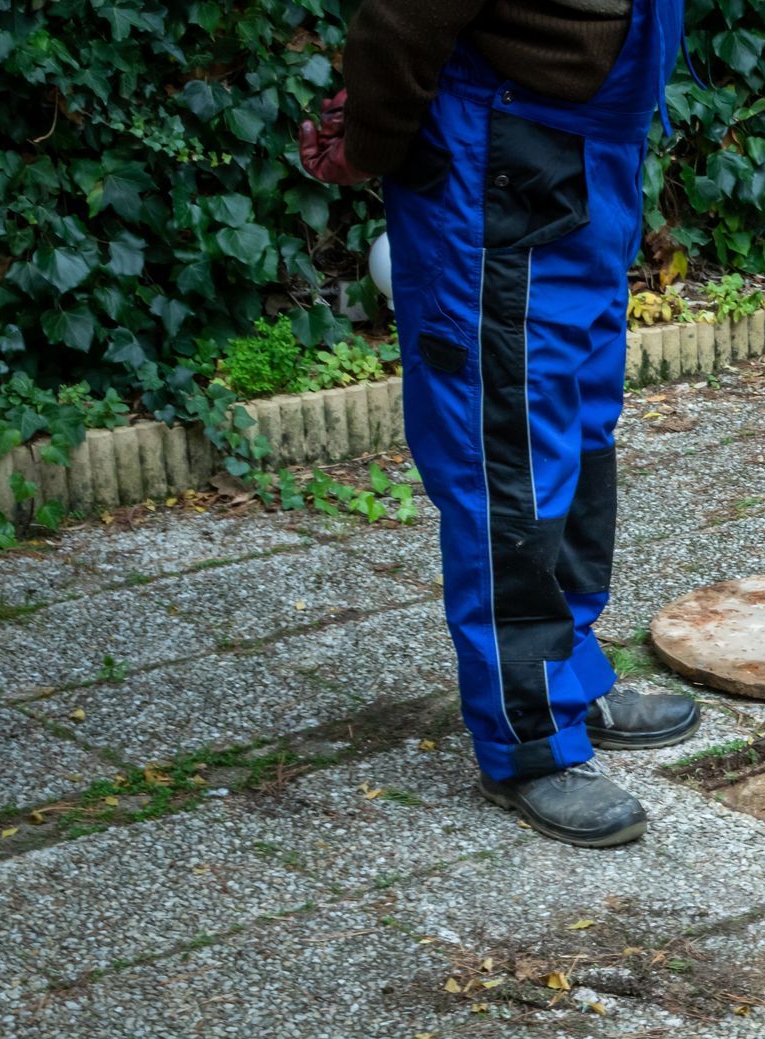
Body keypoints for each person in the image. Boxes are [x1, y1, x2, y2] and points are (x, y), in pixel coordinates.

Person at [299, 0, 699, 846]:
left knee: (580, 431)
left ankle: (569, 675)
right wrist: (370, 142)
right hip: (499, 168)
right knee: (506, 459)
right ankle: (527, 740)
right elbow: (400, 20)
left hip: (591, 158)